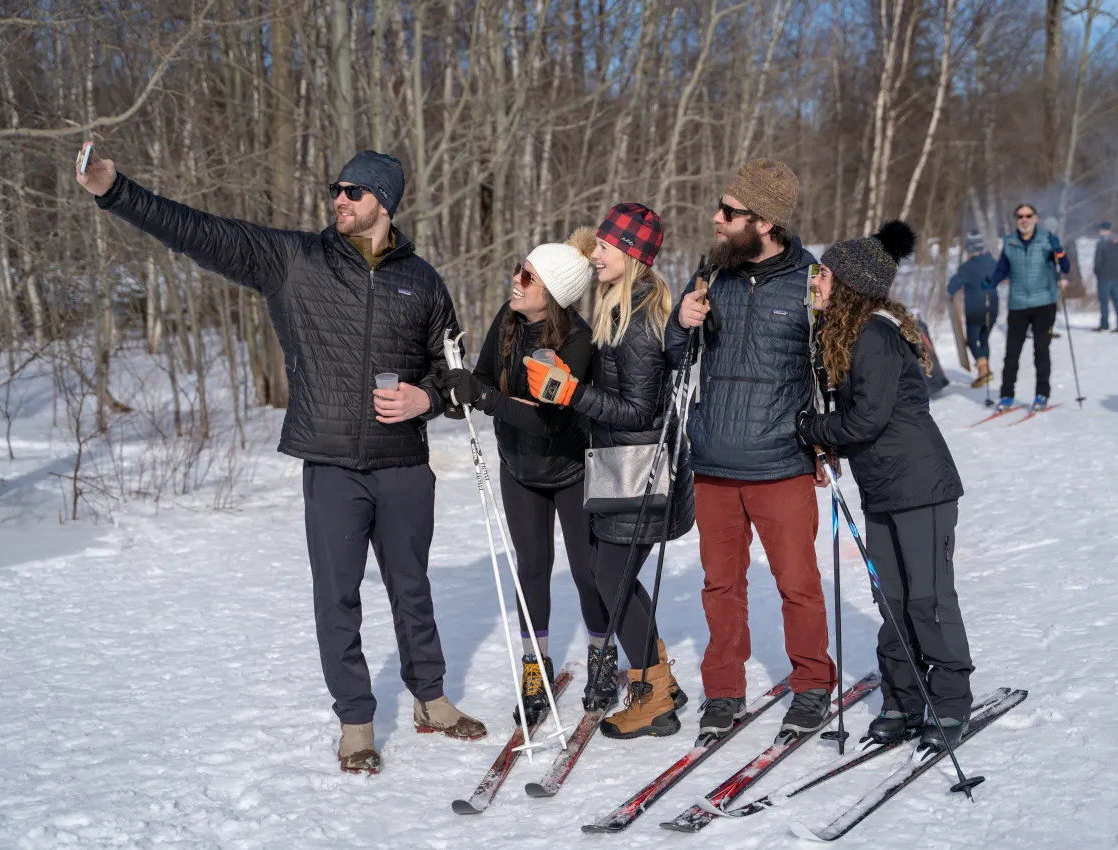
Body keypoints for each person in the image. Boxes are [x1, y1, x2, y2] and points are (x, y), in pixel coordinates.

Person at [75, 143, 486, 775]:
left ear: (384, 201)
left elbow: (451, 375)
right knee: (337, 595)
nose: (339, 199)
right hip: (331, 464)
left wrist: (425, 398)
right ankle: (356, 723)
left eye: (353, 191)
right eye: (336, 190)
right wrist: (116, 191)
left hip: (404, 462)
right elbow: (201, 233)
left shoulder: (423, 280)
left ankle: (430, 700)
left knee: (413, 587)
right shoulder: (293, 260)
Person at [663, 159, 839, 742]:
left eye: (730, 212)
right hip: (712, 457)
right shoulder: (712, 273)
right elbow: (674, 352)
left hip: (781, 461)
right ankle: (723, 691)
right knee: (720, 585)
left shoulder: (812, 281)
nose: (716, 218)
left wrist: (826, 440)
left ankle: (812, 683)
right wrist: (681, 321)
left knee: (798, 582)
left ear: (764, 221)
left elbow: (831, 367)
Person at [797, 220, 974, 751]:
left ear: (847, 283)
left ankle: (948, 702)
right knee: (891, 599)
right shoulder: (850, 335)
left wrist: (810, 428)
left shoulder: (874, 335)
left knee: (927, 598)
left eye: (823, 274)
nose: (815, 282)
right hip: (885, 489)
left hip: (922, 488)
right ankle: (903, 696)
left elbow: (865, 422)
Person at [524, 203, 693, 738]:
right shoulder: (618, 308)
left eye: (603, 247)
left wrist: (570, 392)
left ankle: (652, 691)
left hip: (638, 470)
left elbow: (641, 412)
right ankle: (657, 672)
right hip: (621, 466)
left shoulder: (641, 321)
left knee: (610, 580)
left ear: (630, 255)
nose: (594, 254)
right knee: (612, 576)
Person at [438, 232, 595, 725]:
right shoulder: (508, 322)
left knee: (587, 570)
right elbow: (484, 378)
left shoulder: (577, 340)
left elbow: (545, 418)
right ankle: (536, 663)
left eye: (527, 275)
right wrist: (461, 390)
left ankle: (602, 653)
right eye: (518, 268)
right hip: (519, 468)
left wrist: (488, 401)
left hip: (571, 468)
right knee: (532, 568)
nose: (516, 278)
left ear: (550, 290)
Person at [983, 203, 1071, 412]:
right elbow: (1002, 268)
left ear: (1036, 218)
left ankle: (1042, 394)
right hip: (1018, 304)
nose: (1024, 220)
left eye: (1028, 216)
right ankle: (1006, 396)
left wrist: (1058, 250)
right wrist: (992, 282)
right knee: (1011, 352)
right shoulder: (1010, 242)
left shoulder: (1047, 241)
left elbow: (1065, 267)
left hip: (1044, 303)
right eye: (1020, 216)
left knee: (1041, 350)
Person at [946, 231, 998, 387]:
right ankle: (985, 370)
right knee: (984, 339)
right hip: (993, 308)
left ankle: (983, 370)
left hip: (975, 309)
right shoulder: (991, 261)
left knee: (972, 340)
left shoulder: (966, 268)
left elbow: (952, 287)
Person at [1094, 221, 1118, 332]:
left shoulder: (1102, 244)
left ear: (1104, 231)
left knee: (1104, 302)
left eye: (1100, 230)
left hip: (1104, 276)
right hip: (1117, 276)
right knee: (1117, 300)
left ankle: (1104, 324)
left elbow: (1097, 262)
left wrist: (1097, 273)